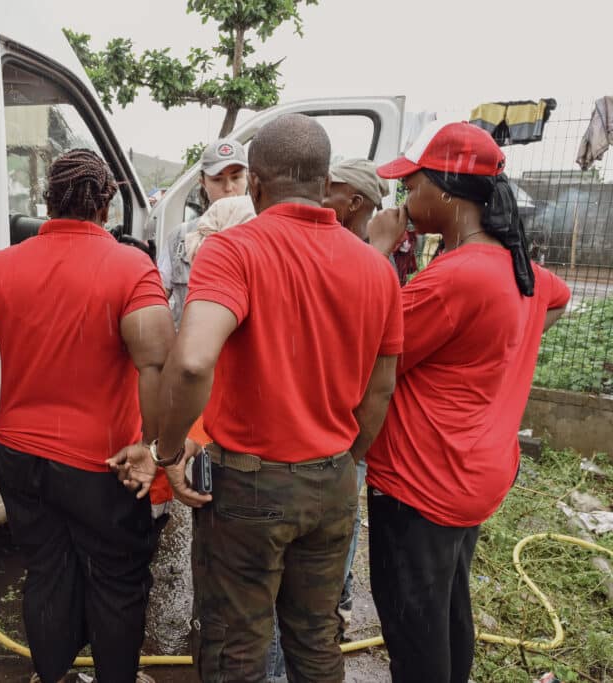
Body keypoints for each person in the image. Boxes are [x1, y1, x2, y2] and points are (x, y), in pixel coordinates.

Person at [149, 114, 403, 683]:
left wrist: (169, 450)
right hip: (334, 479)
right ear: (322, 182)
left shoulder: (232, 251)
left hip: (249, 485)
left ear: (256, 185)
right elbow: (380, 388)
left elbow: (191, 360)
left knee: (236, 645)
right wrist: (345, 458)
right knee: (315, 640)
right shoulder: (376, 268)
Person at [0, 148, 174, 683]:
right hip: (102, 465)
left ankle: (54, 675)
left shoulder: (2, 265)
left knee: (46, 572)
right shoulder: (131, 266)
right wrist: (153, 448)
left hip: (20, 459)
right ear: (106, 203)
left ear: (47, 200)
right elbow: (157, 362)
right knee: (116, 581)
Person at [365, 122, 570, 683]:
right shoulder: (514, 265)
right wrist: (502, 351)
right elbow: (558, 298)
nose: (406, 200)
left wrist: (376, 251)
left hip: (422, 479)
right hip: (475, 471)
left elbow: (363, 350)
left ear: (448, 193)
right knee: (448, 611)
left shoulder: (455, 279)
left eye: (414, 186)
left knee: (413, 633)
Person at [320, 157, 391, 636]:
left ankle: (335, 606)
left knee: (333, 545)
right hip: (342, 436)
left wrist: (355, 453)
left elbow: (381, 374)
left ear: (355, 201)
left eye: (332, 189)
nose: (323, 195)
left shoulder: (372, 263)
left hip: (343, 435)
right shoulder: (372, 260)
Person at [157, 138, 248, 326]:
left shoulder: (264, 232)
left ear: (250, 178)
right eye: (217, 179)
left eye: (236, 177)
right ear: (203, 183)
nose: (229, 188)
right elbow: (156, 299)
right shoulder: (180, 237)